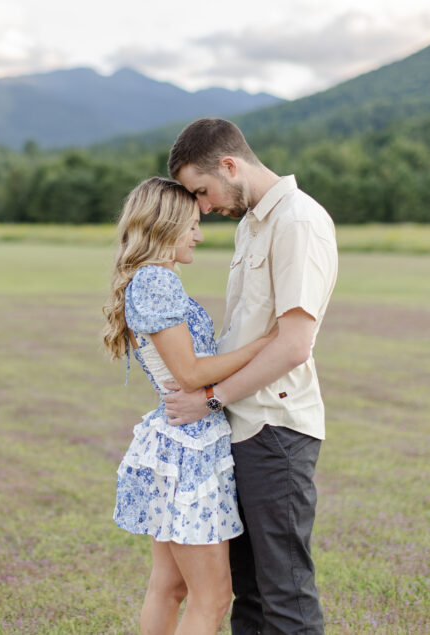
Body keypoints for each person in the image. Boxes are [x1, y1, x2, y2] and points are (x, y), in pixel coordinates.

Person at [163, 118, 338, 635]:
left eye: (203, 190)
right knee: (252, 594)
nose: (204, 206)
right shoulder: (250, 225)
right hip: (239, 426)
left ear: (231, 166)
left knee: (286, 594)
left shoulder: (298, 222)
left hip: (276, 431)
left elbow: (293, 343)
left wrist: (208, 399)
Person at [102, 176, 280, 635]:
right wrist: (266, 342)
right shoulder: (156, 283)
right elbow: (193, 375)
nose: (199, 235)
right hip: (191, 450)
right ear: (165, 226)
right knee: (213, 595)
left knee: (170, 586)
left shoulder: (151, 281)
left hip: (179, 443)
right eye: (192, 226)